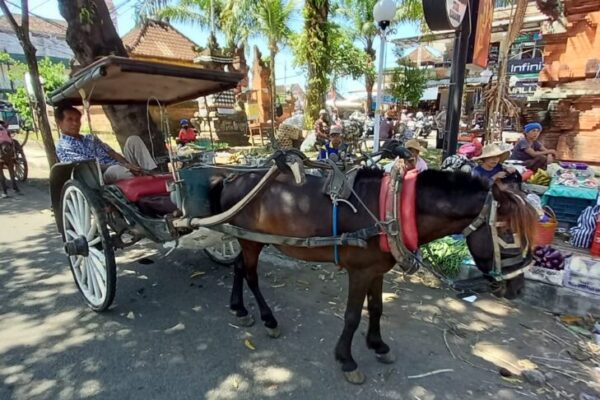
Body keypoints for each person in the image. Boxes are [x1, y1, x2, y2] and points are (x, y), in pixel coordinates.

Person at [55, 105, 158, 184]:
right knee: (118, 170)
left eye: (77, 120)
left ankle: (152, 174)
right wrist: (124, 166)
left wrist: (128, 164)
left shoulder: (90, 138)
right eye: (70, 120)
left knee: (133, 140)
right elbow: (89, 167)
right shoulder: (63, 146)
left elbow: (112, 153)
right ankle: (141, 189)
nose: (75, 123)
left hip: (121, 166)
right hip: (100, 176)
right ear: (59, 123)